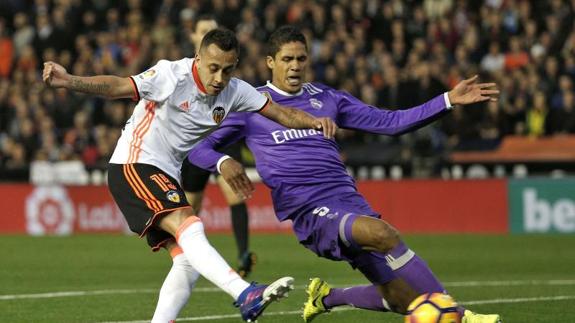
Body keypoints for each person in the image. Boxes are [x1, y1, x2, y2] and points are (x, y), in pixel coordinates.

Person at [188, 26, 502, 323]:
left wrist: (447, 100)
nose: (295, 66)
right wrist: (223, 163)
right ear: (271, 62)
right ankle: (459, 315)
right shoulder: (251, 105)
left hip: (349, 201)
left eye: (301, 58)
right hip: (310, 210)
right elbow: (198, 149)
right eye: (287, 59)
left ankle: (327, 297)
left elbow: (389, 122)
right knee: (384, 234)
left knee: (399, 299)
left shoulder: (328, 98)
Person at [42, 28, 338, 322]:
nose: (219, 78)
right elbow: (118, 86)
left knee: (187, 261)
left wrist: (315, 122)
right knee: (189, 223)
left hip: (165, 174)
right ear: (198, 59)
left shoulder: (235, 91)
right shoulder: (171, 76)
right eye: (213, 68)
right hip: (134, 165)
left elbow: (281, 113)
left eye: (227, 70)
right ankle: (244, 292)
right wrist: (69, 81)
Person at [182, 14, 256, 277]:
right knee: (192, 206)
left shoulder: (227, 75)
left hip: (222, 141)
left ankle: (244, 254)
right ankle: (186, 257)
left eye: (211, 30)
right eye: (202, 30)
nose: (206, 33)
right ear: (193, 37)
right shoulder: (181, 72)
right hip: (194, 144)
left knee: (234, 194)